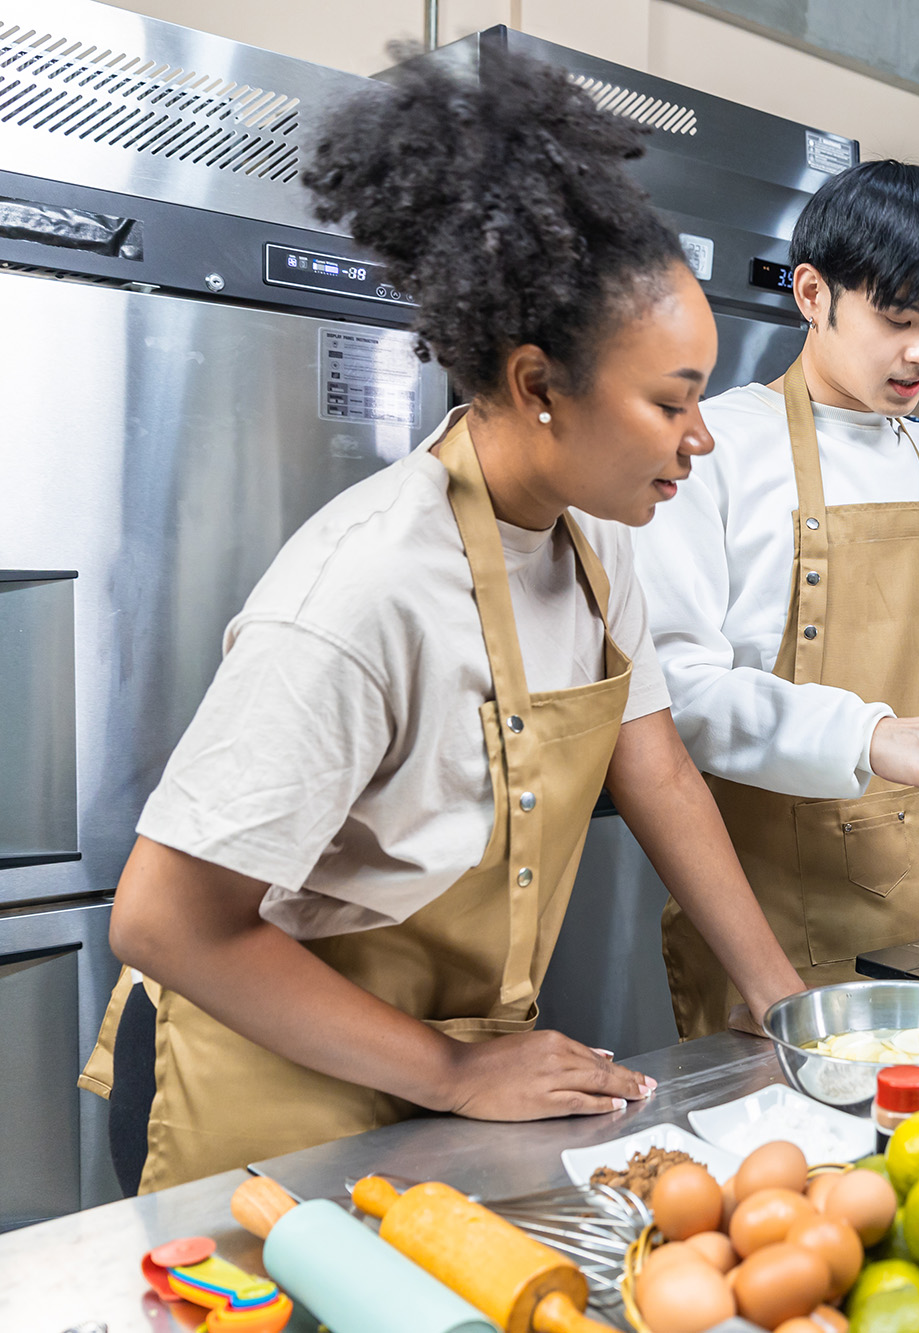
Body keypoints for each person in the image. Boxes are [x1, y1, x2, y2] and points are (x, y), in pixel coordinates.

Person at [80, 52, 806, 1194]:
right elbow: (164, 920)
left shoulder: (600, 532)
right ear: (536, 386)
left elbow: (651, 761)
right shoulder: (364, 591)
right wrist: (452, 1073)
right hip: (267, 1080)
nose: (698, 438)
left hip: (439, 1074)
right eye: (670, 401)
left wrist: (785, 1007)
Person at [637, 161, 919, 1038]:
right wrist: (875, 737)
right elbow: (673, 689)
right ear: (813, 294)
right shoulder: (714, 454)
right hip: (776, 925)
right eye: (898, 320)